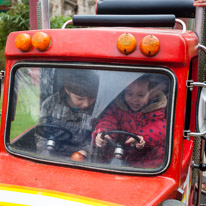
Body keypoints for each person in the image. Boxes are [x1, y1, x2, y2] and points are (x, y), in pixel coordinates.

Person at [92, 74, 168, 168]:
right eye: (129, 93)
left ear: (152, 95)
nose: (134, 99)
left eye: (141, 95)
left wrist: (142, 138)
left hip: (145, 158)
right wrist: (103, 133)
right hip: (117, 154)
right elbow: (108, 120)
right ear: (124, 93)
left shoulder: (156, 112)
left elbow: (159, 128)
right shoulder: (117, 108)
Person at [35, 69, 99, 161]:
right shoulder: (50, 104)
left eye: (92, 98)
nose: (86, 104)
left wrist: (86, 152)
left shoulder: (98, 109)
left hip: (82, 159)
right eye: (80, 99)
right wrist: (45, 153)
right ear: (67, 90)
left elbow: (97, 138)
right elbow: (42, 134)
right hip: (52, 155)